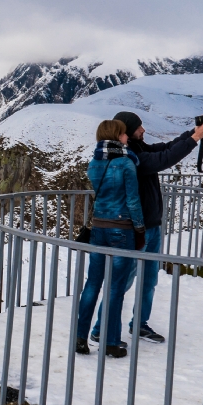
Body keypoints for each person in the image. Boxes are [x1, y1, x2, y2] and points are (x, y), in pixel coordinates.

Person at [111, 111, 203, 343]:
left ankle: (140, 324)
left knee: (149, 280)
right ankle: (102, 328)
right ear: (127, 130)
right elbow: (164, 159)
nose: (143, 130)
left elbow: (167, 147)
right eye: (139, 127)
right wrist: (196, 138)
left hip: (152, 227)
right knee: (122, 282)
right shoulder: (128, 155)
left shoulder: (139, 148)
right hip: (134, 229)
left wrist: (196, 131)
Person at [78, 118, 145, 357]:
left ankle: (80, 337)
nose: (127, 137)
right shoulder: (126, 164)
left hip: (99, 228)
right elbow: (133, 201)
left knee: (92, 284)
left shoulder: (94, 163)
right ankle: (110, 342)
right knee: (115, 288)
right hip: (121, 229)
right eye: (124, 134)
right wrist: (139, 229)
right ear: (117, 136)